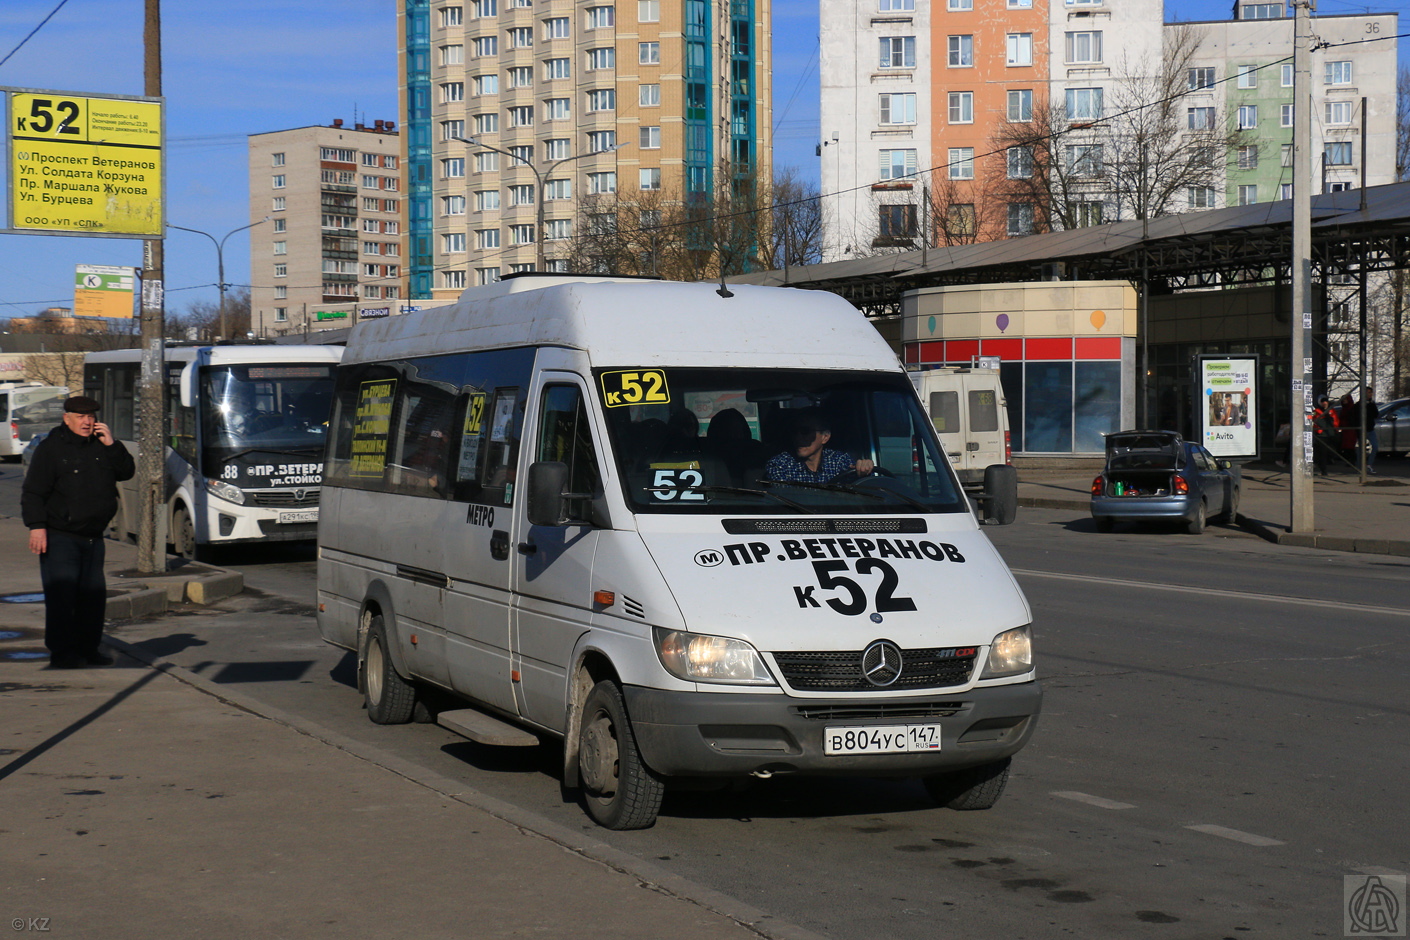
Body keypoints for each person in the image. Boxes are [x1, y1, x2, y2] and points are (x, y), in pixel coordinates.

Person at [21, 396, 136, 669]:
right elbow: (34, 492)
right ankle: (63, 653)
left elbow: (127, 471)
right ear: (67, 418)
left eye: (92, 417)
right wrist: (37, 527)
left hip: (94, 537)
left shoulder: (102, 446)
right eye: (82, 417)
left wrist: (112, 444)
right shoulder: (51, 449)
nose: (87, 422)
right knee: (63, 598)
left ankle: (89, 649)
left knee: (93, 599)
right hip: (61, 536)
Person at [765, 410, 874, 484]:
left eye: (805, 431)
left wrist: (865, 470)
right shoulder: (780, 464)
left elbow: (863, 488)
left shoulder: (839, 461)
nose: (798, 437)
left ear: (825, 437)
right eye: (794, 432)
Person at [1311, 393, 1340, 476]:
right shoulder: (1316, 411)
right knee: (1322, 453)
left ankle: (1324, 463)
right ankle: (1323, 470)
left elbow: (1336, 421)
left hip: (1330, 434)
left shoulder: (1331, 410)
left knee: (1330, 450)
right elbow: (1316, 421)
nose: (1325, 403)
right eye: (1322, 401)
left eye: (1326, 401)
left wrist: (1335, 428)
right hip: (1321, 434)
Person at [1363, 386, 1381, 474]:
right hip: (1362, 429)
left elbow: (1376, 414)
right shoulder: (1360, 404)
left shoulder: (1371, 404)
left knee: (1375, 446)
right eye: (1368, 392)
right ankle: (1361, 466)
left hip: (1370, 429)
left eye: (1371, 392)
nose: (1370, 394)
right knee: (1360, 449)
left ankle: (1369, 465)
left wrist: (1371, 404)